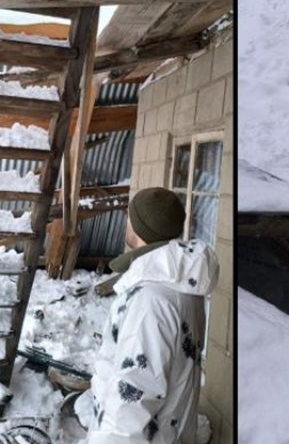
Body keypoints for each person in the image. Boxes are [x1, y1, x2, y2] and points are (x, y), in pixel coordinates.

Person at [79, 188, 219, 443]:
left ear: (141, 228)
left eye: (130, 216)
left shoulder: (150, 301)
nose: (126, 220)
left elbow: (133, 395)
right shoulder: (180, 287)